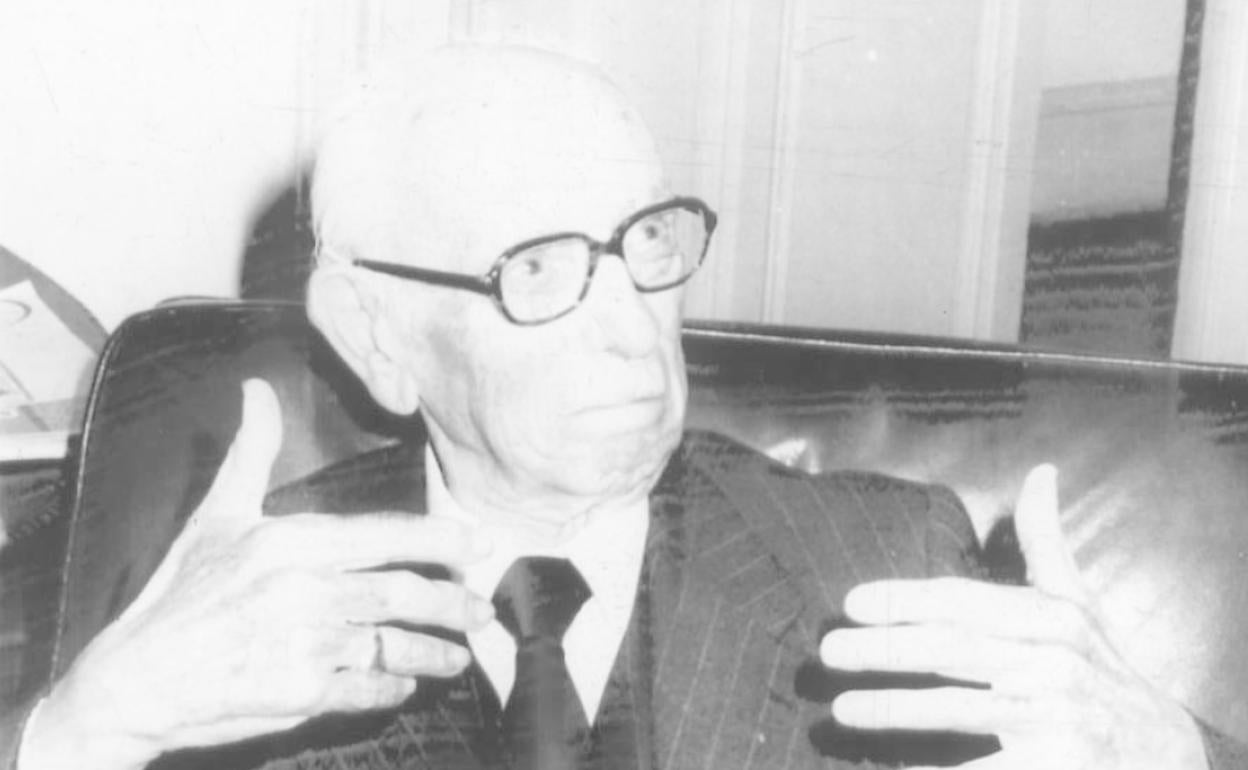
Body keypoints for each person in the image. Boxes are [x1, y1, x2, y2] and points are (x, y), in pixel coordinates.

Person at [11, 45, 1242, 770]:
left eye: (647, 239)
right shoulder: (244, 616)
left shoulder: (883, 570)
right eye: (539, 267)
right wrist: (80, 733)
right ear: (380, 337)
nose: (631, 325)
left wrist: (1176, 758)